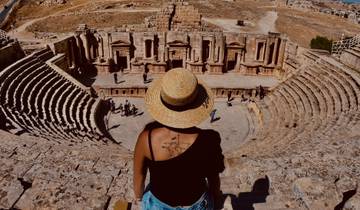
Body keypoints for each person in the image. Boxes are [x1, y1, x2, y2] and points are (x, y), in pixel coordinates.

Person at [133, 68, 225, 210]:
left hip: (159, 206)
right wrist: (217, 199)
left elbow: (139, 177)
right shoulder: (210, 139)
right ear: (196, 105)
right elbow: (214, 180)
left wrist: (138, 199)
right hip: (197, 206)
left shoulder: (146, 139)